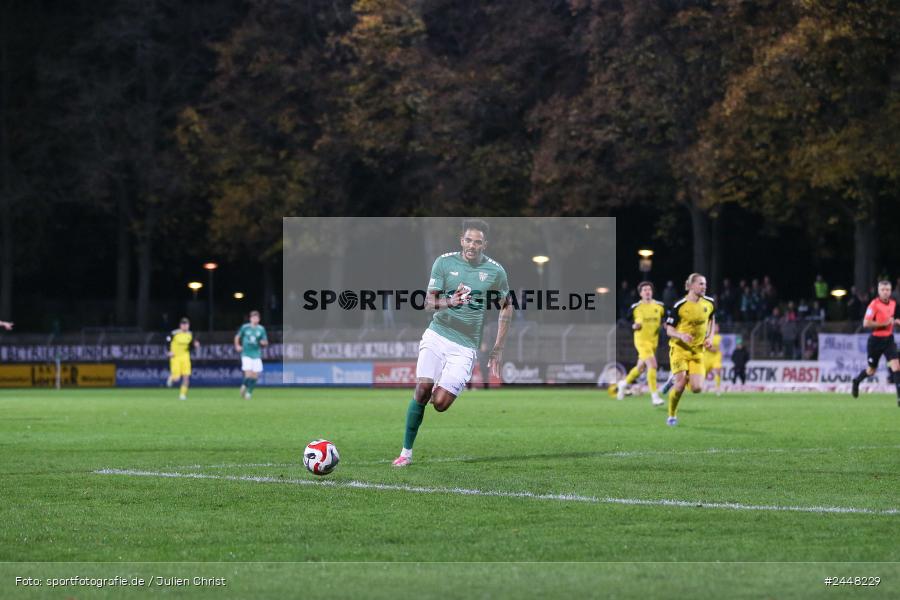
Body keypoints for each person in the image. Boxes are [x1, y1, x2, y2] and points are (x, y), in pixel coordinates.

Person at [392, 219, 513, 467]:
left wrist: (498, 347)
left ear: (484, 245)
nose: (472, 245)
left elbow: (507, 305)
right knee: (423, 389)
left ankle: (443, 382)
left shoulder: (495, 272)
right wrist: (451, 302)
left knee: (440, 404)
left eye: (477, 242)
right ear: (461, 240)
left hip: (465, 345)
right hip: (437, 334)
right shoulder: (444, 262)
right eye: (468, 240)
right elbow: (428, 303)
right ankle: (406, 453)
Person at [662, 273, 716, 426]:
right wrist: (680, 335)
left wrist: (710, 337)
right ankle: (672, 415)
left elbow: (712, 318)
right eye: (700, 283)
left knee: (697, 388)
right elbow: (669, 330)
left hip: (697, 351)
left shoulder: (710, 303)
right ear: (691, 286)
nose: (704, 286)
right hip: (679, 349)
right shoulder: (679, 305)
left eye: (705, 284)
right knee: (680, 385)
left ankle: (674, 378)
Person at [615, 281, 665, 405]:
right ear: (640, 293)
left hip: (654, 341)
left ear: (652, 292)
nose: (647, 292)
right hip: (641, 341)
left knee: (640, 368)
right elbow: (624, 322)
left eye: (649, 289)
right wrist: (633, 326)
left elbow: (665, 322)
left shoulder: (660, 306)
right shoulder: (635, 308)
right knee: (652, 365)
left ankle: (623, 384)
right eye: (644, 290)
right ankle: (655, 397)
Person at [850, 280, 900, 405]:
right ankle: (856, 381)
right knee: (871, 370)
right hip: (875, 341)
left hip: (889, 340)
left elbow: (893, 318)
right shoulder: (874, 304)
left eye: (887, 290)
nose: (885, 292)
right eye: (883, 290)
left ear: (890, 291)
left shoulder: (893, 303)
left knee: (897, 367)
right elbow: (866, 323)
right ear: (879, 291)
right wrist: (884, 323)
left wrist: (896, 321)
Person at [235, 310, 269, 400]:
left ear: (259, 319)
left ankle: (249, 393)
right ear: (250, 319)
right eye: (253, 318)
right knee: (248, 374)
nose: (255, 319)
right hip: (246, 353)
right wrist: (237, 345)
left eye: (257, 318)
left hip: (256, 354)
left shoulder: (261, 329)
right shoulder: (245, 327)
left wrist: (263, 343)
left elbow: (265, 342)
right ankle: (244, 386)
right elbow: (237, 336)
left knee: (255, 375)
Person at [166, 317, 199, 400]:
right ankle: (171, 378)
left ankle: (182, 395)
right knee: (176, 378)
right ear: (180, 325)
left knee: (186, 376)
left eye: (186, 324)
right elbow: (167, 341)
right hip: (175, 357)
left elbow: (191, 345)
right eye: (183, 324)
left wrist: (195, 345)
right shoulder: (174, 333)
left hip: (185, 357)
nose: (185, 326)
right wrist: (169, 351)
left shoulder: (190, 334)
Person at [703, 322, 723, 396]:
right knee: (703, 375)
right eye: (715, 327)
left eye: (717, 327)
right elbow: (705, 345)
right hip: (706, 357)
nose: (717, 328)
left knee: (718, 371)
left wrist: (708, 347)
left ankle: (717, 389)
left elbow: (715, 349)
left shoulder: (719, 337)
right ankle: (700, 387)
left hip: (716, 357)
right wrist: (708, 347)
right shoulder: (706, 336)